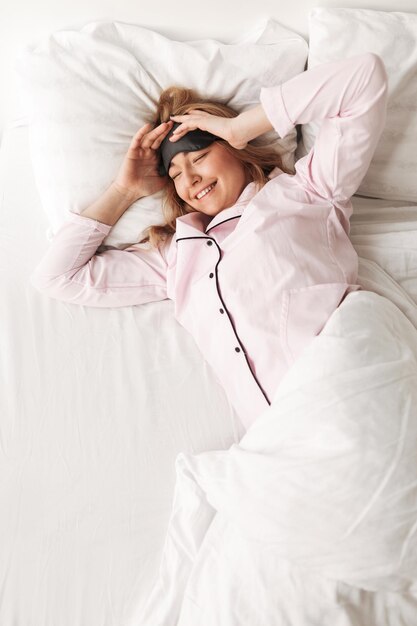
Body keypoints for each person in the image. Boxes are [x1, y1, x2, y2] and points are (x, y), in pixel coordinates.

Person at [30, 52, 388, 431]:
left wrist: (240, 126)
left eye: (199, 157)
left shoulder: (308, 193)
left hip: (355, 390)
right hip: (284, 439)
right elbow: (57, 278)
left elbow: (364, 78)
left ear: (236, 149)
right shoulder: (177, 258)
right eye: (175, 174)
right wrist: (125, 190)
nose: (190, 179)